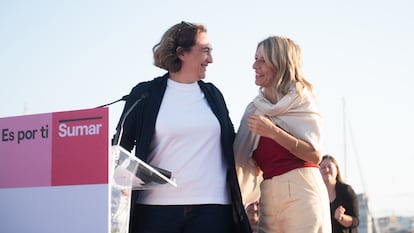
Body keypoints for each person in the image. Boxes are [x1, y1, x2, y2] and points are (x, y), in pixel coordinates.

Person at [113, 21, 252, 233]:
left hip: (212, 209)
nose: (211, 59)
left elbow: (232, 142)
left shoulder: (214, 95)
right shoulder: (145, 94)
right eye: (205, 50)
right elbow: (119, 149)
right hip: (155, 211)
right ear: (182, 53)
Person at [234, 36, 331, 233]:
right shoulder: (254, 110)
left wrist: (273, 132)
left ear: (279, 64)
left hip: (303, 194)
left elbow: (314, 154)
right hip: (268, 199)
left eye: (262, 60)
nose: (254, 66)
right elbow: (239, 161)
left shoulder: (302, 101)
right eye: (255, 59)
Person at [319, 155, 360, 233]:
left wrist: (341, 218)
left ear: (337, 170)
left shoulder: (346, 191)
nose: (326, 170)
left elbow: (355, 221)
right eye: (323, 167)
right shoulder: (316, 194)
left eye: (329, 167)